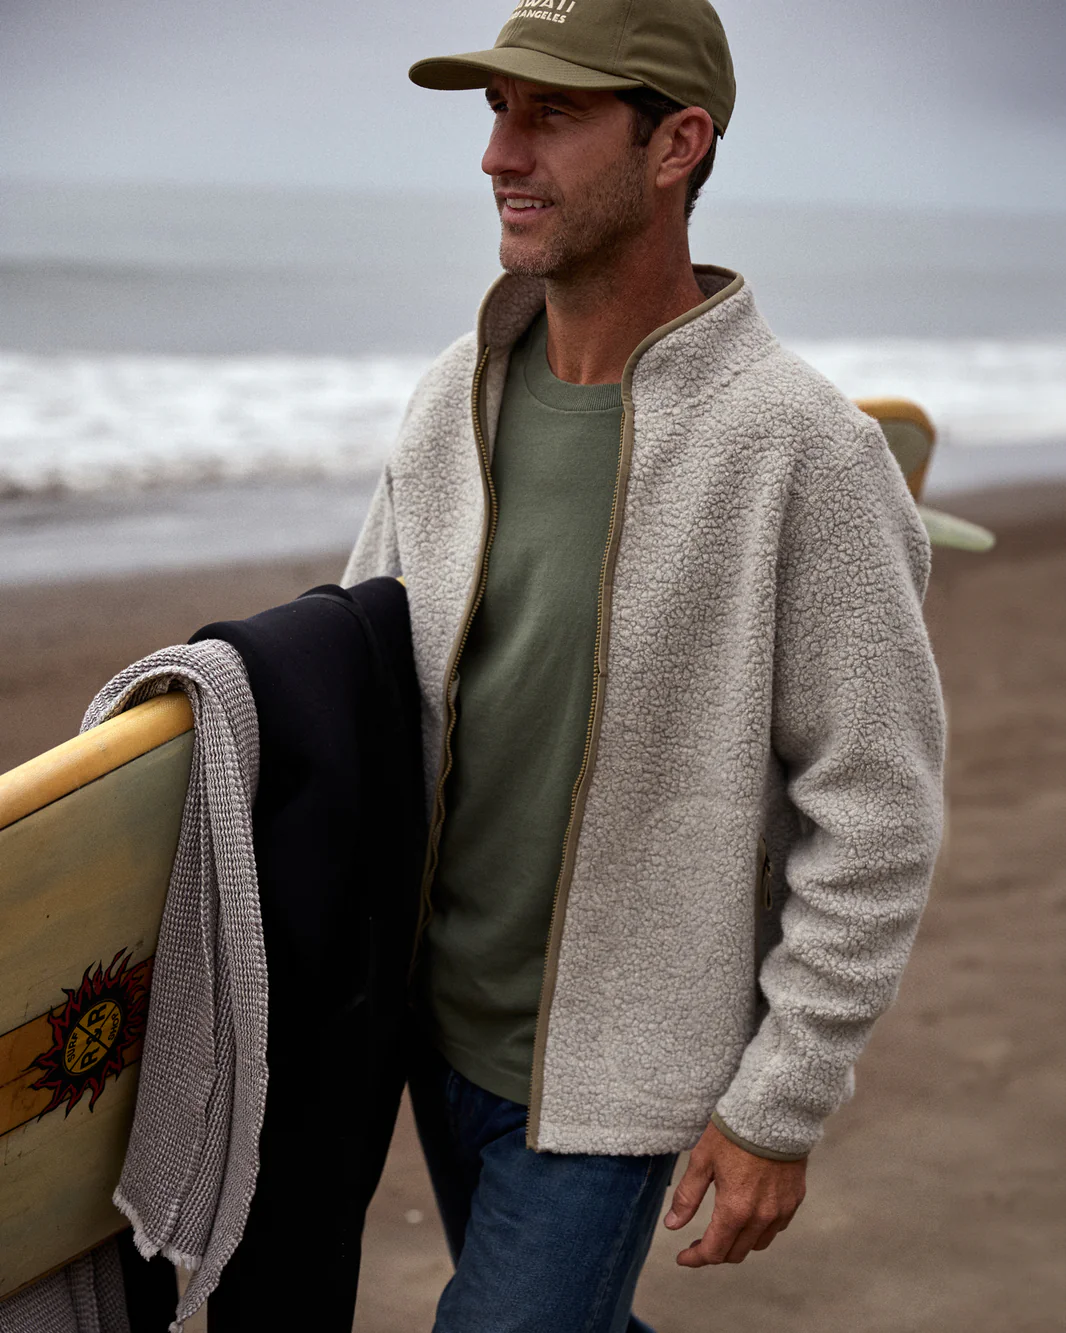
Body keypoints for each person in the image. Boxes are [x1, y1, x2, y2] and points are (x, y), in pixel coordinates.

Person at [343, 1, 946, 1328]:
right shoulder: (457, 394)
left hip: (617, 1068)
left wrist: (779, 1100)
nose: (500, 153)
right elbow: (362, 666)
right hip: (433, 1025)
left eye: (549, 114)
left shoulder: (801, 451)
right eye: (495, 112)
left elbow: (878, 810)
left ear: (676, 144)